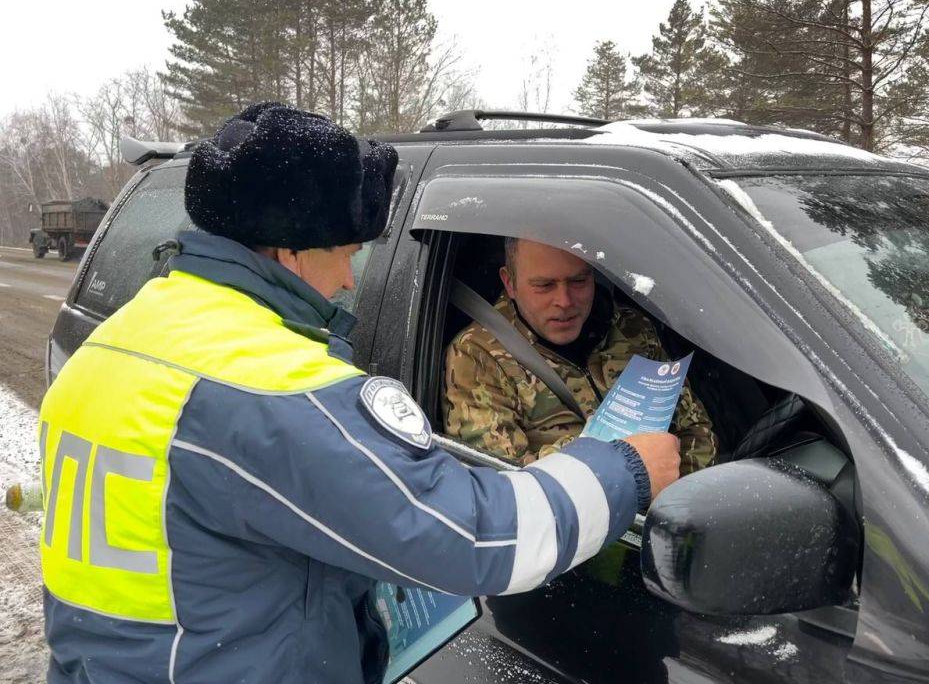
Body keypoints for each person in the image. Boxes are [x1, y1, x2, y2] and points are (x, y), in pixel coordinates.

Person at [38, 102, 681, 684]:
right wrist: (624, 468)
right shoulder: (267, 387)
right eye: (346, 253)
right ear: (289, 250)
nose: (350, 281)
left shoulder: (120, 337)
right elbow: (475, 537)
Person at [443, 237, 718, 469]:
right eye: (544, 286)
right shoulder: (477, 355)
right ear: (510, 283)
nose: (564, 301)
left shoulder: (631, 329)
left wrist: (676, 505)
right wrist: (617, 457)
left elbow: (695, 429)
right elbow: (502, 482)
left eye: (578, 281)